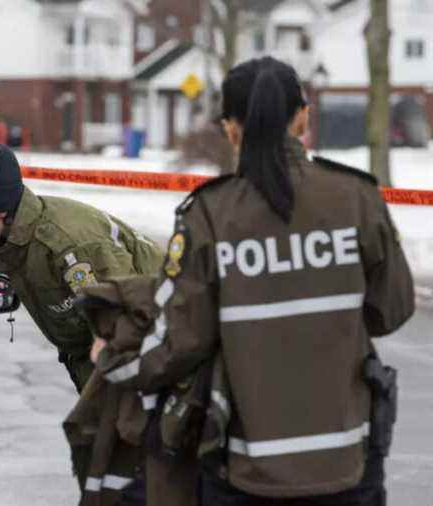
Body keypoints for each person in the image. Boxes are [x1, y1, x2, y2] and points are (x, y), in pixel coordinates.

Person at [92, 56, 415, 505]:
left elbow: (180, 343)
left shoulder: (209, 214)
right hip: (348, 461)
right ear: (304, 117)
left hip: (246, 469)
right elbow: (392, 310)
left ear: (231, 128)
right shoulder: (357, 198)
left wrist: (113, 359)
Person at [0, 142, 165, 497]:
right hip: (100, 366)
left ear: (0, 211)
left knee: (127, 476)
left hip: (144, 366)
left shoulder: (70, 246)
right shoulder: (18, 239)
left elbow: (132, 319)